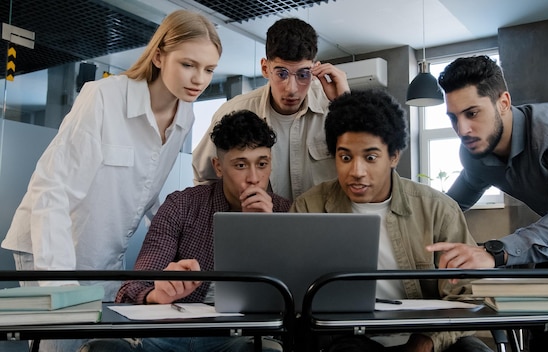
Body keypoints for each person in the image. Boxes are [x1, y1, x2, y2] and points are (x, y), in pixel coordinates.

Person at [1, 9, 222, 352]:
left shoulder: (185, 114)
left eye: (209, 69)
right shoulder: (104, 97)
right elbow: (52, 190)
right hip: (54, 245)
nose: (199, 79)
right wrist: (62, 286)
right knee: (59, 346)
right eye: (188, 64)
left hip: (107, 253)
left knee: (99, 346)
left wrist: (183, 237)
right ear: (160, 56)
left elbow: (147, 194)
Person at [428, 55, 548, 352]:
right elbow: (451, 204)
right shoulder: (475, 153)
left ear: (503, 102)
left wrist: (495, 252)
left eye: (472, 113)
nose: (463, 129)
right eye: (453, 118)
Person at [291, 90, 492, 352]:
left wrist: (427, 341)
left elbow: (468, 295)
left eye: (371, 157)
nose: (357, 172)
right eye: (345, 157)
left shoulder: (437, 209)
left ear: (394, 156)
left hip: (426, 336)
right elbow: (295, 299)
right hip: (349, 337)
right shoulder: (309, 208)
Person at [79, 110, 292, 352]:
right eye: (240, 165)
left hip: (241, 336)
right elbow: (131, 288)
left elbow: (291, 299)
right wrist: (158, 294)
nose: (254, 178)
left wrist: (265, 231)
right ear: (218, 167)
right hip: (171, 331)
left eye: (262, 164)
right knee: (102, 349)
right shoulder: (183, 205)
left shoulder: (286, 213)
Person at [192, 17, 350, 201]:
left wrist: (346, 105)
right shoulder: (233, 112)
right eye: (282, 73)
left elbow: (370, 169)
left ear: (315, 70)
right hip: (257, 227)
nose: (291, 88)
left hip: (327, 228)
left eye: (303, 74)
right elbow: (205, 181)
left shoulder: (336, 108)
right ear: (265, 69)